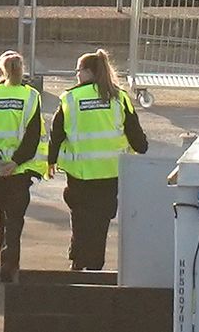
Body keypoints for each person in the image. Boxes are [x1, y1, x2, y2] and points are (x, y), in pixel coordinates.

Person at [48, 49, 148, 271]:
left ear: (89, 72)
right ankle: (95, 265)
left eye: (79, 70)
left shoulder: (70, 98)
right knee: (101, 221)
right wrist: (141, 148)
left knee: (80, 217)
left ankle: (77, 259)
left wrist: (51, 161)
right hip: (110, 173)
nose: (76, 75)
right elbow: (138, 139)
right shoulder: (119, 98)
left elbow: (56, 133)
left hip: (80, 172)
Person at [0, 50, 48, 283]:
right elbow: (33, 135)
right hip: (21, 168)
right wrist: (16, 161)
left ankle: (6, 258)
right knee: (15, 218)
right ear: (22, 69)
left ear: (1, 70)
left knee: (4, 214)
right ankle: (10, 261)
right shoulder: (31, 97)